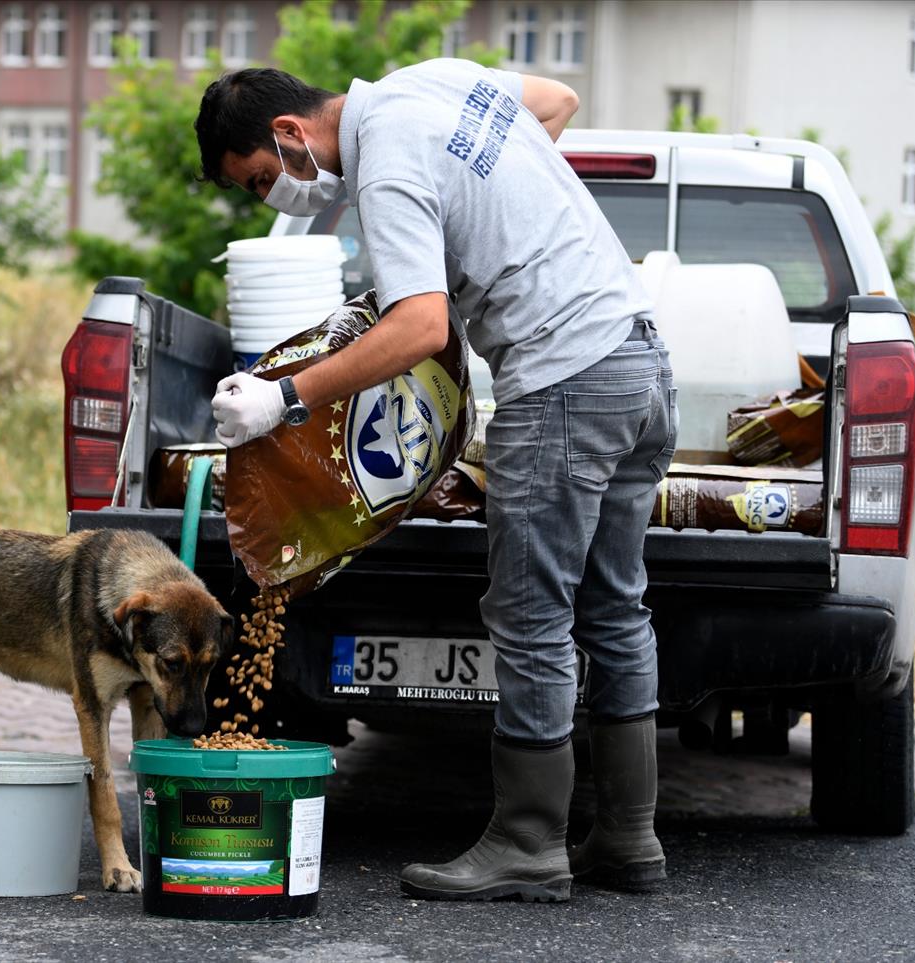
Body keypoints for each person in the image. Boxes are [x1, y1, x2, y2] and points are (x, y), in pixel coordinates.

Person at [194, 59, 677, 902]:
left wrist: (284, 399)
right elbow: (557, 101)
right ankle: (629, 839)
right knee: (615, 604)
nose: (278, 195)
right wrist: (482, 225)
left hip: (563, 378)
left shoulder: (384, 162)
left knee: (532, 616)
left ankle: (529, 841)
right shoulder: (433, 81)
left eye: (266, 179)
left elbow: (420, 324)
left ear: (289, 134)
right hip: (638, 361)